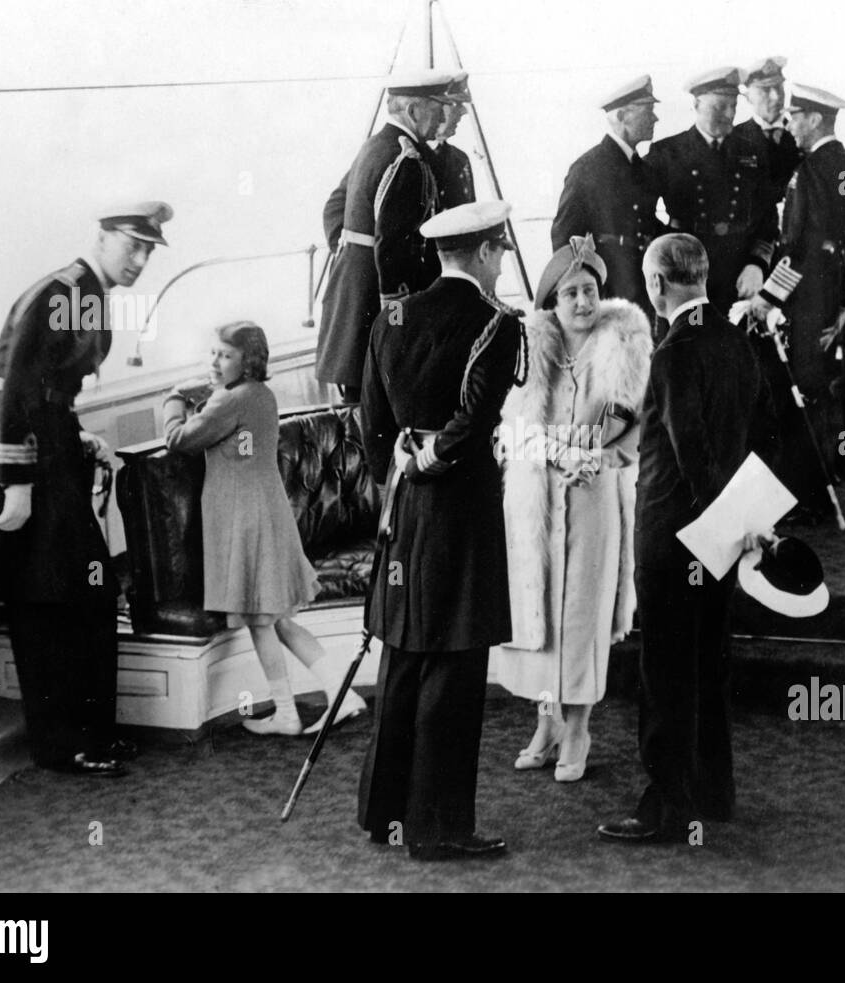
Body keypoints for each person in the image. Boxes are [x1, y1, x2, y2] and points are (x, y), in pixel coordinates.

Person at [0, 202, 174, 777]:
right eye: (131, 245)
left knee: (79, 593)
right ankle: (64, 744)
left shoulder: (88, 290)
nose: (139, 259)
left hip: (49, 443)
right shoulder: (62, 291)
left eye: (148, 250)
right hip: (20, 457)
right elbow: (15, 392)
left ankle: (85, 734)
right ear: (103, 236)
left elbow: (48, 390)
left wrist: (77, 434)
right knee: (49, 600)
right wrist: (17, 486)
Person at [357, 200, 527, 860]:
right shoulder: (495, 323)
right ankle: (439, 826)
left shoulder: (389, 316)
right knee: (454, 665)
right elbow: (477, 416)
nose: (502, 263)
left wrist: (398, 462)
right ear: (484, 253)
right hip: (459, 504)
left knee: (403, 651)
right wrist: (433, 457)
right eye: (501, 252)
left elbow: (370, 417)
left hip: (404, 504)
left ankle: (385, 812)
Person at [598, 233, 759, 843]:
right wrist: (741, 521)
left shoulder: (672, 352)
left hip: (672, 538)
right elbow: (759, 436)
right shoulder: (738, 343)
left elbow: (689, 454)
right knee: (709, 666)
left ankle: (667, 806)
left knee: (665, 672)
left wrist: (711, 513)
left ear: (657, 285)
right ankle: (714, 793)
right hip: (722, 537)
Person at [496, 235, 652, 783]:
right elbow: (511, 430)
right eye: (570, 294)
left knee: (582, 611)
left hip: (591, 494)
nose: (583, 303)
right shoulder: (530, 349)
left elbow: (624, 427)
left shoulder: (623, 347)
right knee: (538, 609)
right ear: (552, 302)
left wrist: (584, 451)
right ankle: (547, 721)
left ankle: (579, 726)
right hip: (537, 495)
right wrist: (542, 449)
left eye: (589, 291)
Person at [162, 322, 367, 736]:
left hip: (246, 520)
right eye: (214, 354)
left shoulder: (230, 402)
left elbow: (178, 439)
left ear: (249, 360)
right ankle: (340, 692)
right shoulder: (259, 394)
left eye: (226, 355)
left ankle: (290, 712)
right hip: (267, 514)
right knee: (280, 619)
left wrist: (173, 400)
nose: (216, 362)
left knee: (262, 620)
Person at [744, 83, 845, 524]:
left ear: (815, 120)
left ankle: (805, 492)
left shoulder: (811, 172)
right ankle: (824, 478)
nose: (789, 123)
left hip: (805, 298)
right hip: (832, 296)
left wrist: (766, 298)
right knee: (819, 390)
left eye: (795, 115)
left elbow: (801, 248)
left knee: (801, 390)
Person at [315, 70, 454, 403]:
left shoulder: (376, 146)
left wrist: (351, 251)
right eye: (437, 107)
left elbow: (335, 206)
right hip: (376, 308)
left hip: (352, 298)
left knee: (361, 406)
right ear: (413, 111)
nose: (442, 116)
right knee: (378, 411)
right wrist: (398, 326)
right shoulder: (405, 159)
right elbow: (393, 250)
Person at [645, 66, 779, 314]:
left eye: (733, 106)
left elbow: (768, 218)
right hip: (686, 274)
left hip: (739, 274)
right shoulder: (668, 153)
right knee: (692, 340)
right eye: (719, 107)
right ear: (696, 104)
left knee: (737, 345)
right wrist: (668, 253)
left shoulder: (752, 152)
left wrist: (757, 265)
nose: (729, 114)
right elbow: (640, 213)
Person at [551, 74, 665, 320]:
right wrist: (578, 296)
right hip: (610, 287)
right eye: (648, 110)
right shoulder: (587, 169)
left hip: (645, 283)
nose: (655, 117)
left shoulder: (644, 169)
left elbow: (644, 222)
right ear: (622, 116)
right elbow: (564, 237)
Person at [734, 56, 802, 213]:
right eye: (765, 90)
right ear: (748, 97)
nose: (775, 97)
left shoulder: (804, 135)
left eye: (778, 88)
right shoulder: (733, 138)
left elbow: (843, 179)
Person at [433, 71, 476, 209]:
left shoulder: (460, 159)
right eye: (456, 104)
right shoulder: (405, 158)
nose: (464, 111)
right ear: (436, 107)